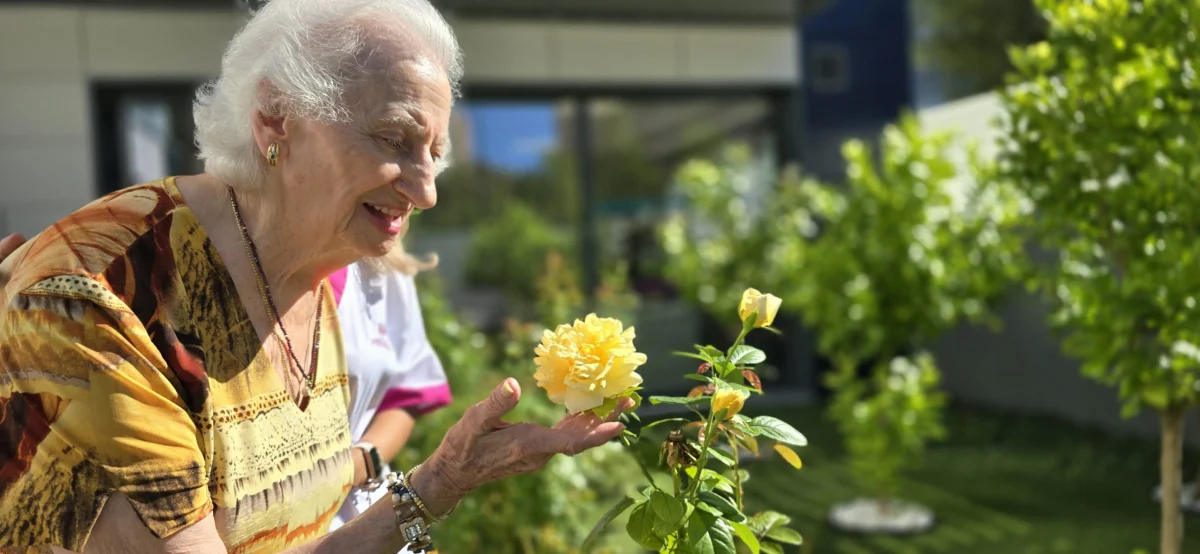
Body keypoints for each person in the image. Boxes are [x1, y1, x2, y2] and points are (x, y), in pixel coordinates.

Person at [0, 1, 631, 553]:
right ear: (275, 116)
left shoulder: (306, 268)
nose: (428, 191)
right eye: (394, 138)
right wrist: (433, 486)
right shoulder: (104, 292)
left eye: (434, 154)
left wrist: (442, 481)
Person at [328, 241, 450, 532]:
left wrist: (360, 462)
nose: (425, 198)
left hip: (357, 514)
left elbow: (404, 397)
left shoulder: (385, 269)